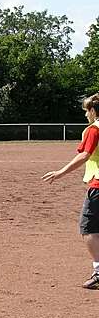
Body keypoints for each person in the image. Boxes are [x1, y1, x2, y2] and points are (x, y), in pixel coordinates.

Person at [43, 93, 99, 289]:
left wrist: (60, 173)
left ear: (93, 110)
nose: (86, 115)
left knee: (89, 228)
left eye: (86, 111)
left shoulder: (94, 129)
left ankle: (98, 271)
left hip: (98, 185)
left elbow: (85, 155)